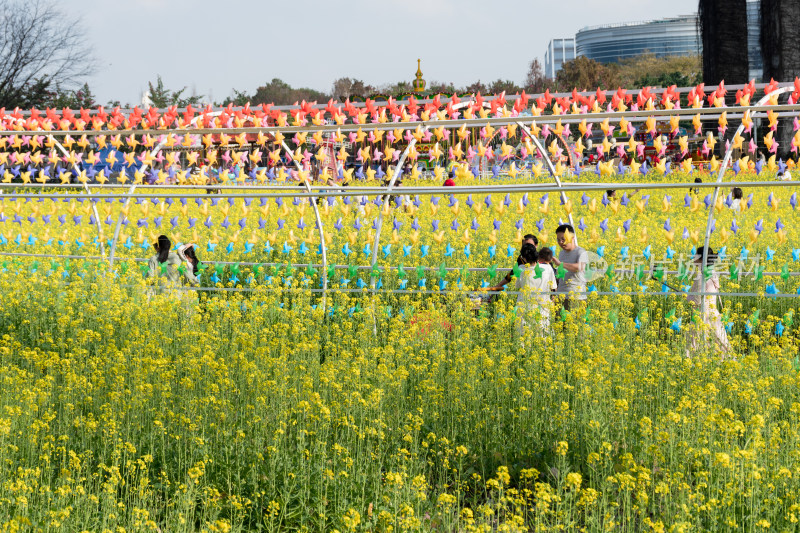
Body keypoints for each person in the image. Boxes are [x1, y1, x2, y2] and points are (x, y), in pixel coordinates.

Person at [686, 246, 731, 358]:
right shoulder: (712, 273)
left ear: (701, 258)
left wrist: (687, 297)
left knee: (695, 344)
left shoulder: (701, 276)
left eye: (696, 255)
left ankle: (693, 366)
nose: (693, 257)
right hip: (713, 314)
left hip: (701, 315)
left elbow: (696, 300)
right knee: (720, 343)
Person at [516, 246, 557, 336]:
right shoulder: (548, 268)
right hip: (543, 308)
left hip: (525, 307)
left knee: (524, 337)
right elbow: (553, 287)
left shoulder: (521, 268)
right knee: (543, 337)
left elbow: (517, 286)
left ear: (524, 258)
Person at [552, 224, 589, 310]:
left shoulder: (580, 252)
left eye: (563, 239)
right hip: (561, 296)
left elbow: (580, 267)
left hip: (576, 297)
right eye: (558, 240)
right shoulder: (562, 253)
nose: (560, 242)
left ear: (572, 238)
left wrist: (560, 264)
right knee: (560, 323)